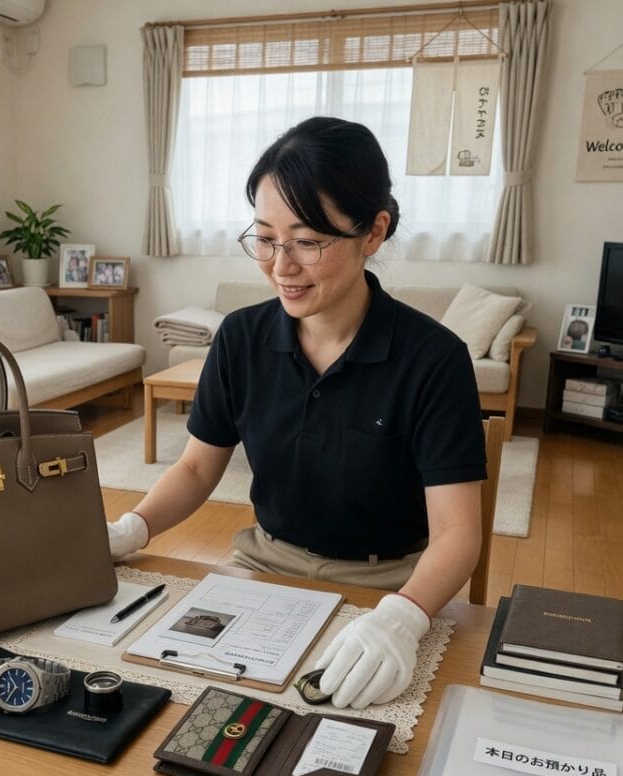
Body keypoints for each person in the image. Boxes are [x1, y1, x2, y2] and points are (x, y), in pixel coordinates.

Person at [107, 117, 486, 710]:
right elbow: (197, 469)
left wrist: (403, 617)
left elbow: (458, 532)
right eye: (265, 238)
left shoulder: (433, 359)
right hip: (263, 564)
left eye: (308, 242)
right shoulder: (240, 338)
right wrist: (130, 529)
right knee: (164, 696)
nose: (280, 265)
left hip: (388, 586)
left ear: (374, 232)